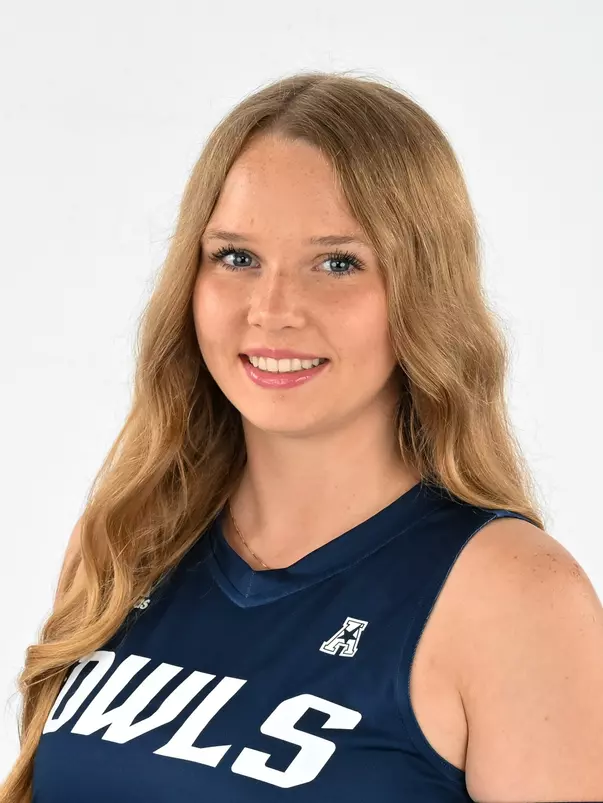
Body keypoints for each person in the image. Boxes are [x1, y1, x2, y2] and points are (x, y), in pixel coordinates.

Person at [3, 70, 603, 803]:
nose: (272, 308)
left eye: (337, 262)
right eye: (236, 257)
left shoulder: (515, 596)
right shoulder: (128, 539)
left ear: (423, 289)